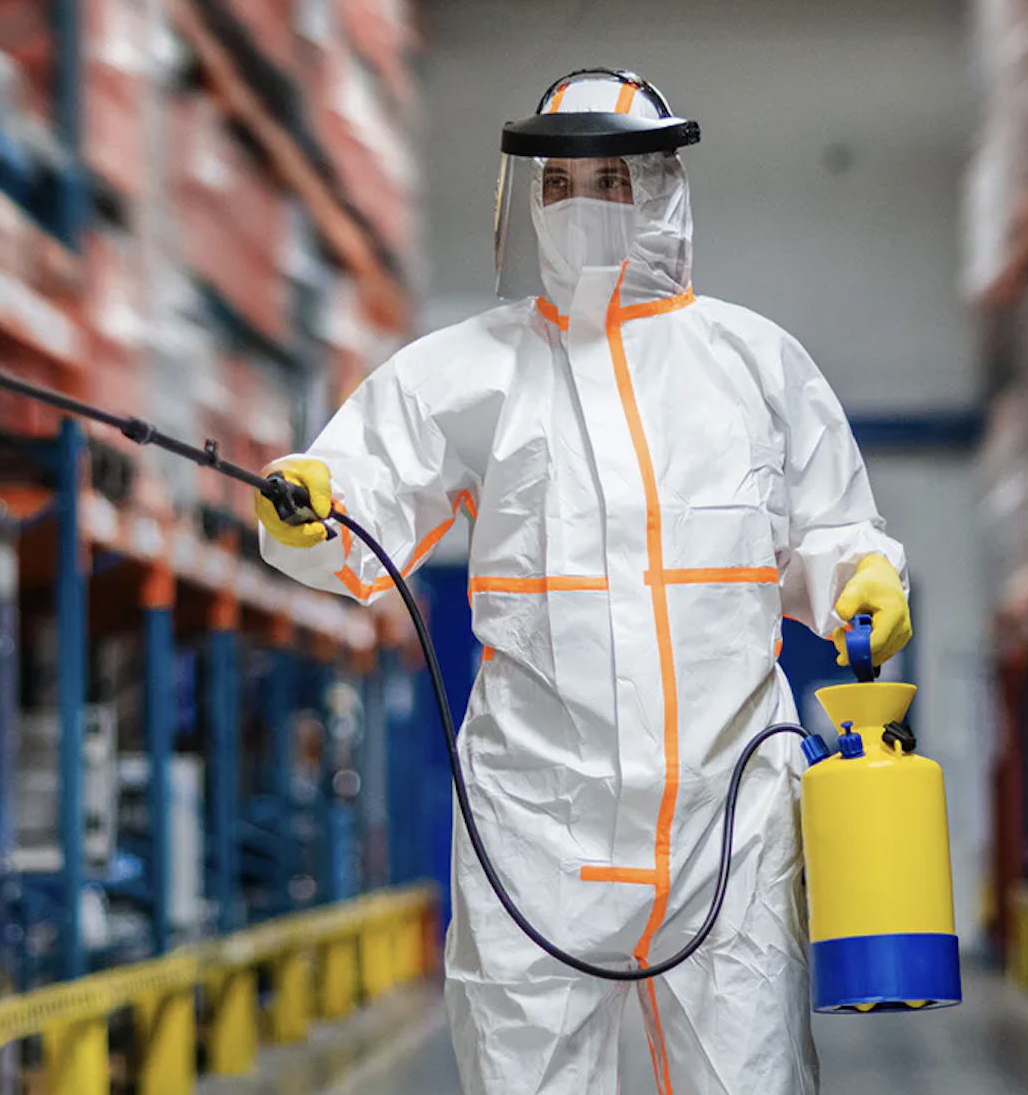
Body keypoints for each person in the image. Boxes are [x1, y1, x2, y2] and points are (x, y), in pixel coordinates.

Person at [258, 69, 911, 1095]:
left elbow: (833, 528)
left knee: (749, 1077)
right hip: (537, 835)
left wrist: (863, 573)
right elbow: (352, 503)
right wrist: (305, 499)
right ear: (528, 196)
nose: (587, 206)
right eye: (560, 184)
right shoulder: (470, 371)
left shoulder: (756, 366)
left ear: (664, 187)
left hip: (726, 826)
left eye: (614, 178)